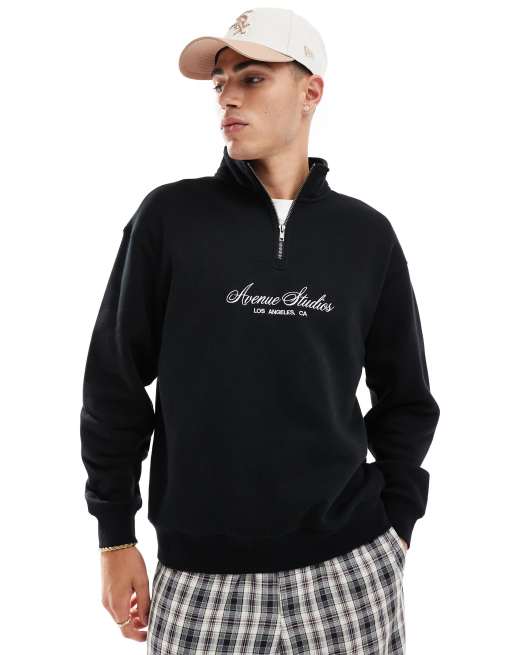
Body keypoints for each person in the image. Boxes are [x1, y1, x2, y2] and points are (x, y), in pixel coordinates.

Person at [80, 7, 440, 654]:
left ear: (311, 91)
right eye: (220, 83)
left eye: (251, 78)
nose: (227, 98)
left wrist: (398, 524)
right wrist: (114, 536)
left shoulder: (366, 237)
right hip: (202, 578)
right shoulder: (170, 219)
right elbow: (114, 383)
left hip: (350, 571)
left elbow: (407, 398)